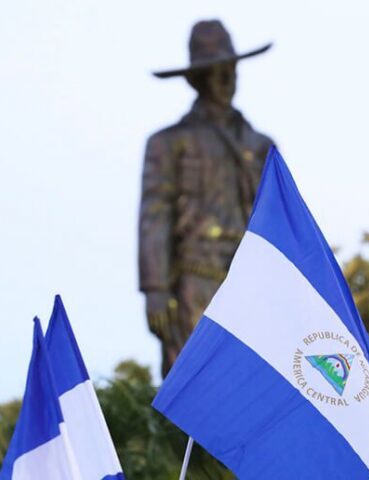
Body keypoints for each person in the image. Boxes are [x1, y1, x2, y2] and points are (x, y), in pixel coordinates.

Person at [139, 19, 275, 375]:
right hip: (195, 279)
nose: (228, 80)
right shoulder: (169, 142)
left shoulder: (260, 146)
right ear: (198, 79)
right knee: (196, 382)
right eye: (218, 72)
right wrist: (155, 288)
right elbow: (155, 214)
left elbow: (280, 218)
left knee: (255, 382)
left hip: (253, 279)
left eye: (232, 69)